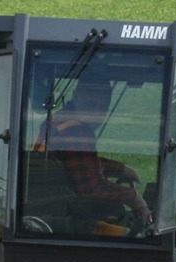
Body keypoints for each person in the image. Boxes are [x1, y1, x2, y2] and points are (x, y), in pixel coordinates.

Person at [37, 77, 153, 236]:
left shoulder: (57, 121)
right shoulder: (76, 132)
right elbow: (92, 188)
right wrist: (135, 199)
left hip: (48, 211)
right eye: (91, 105)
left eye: (103, 107)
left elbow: (81, 164)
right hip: (69, 222)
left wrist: (121, 169)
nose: (97, 113)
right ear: (76, 96)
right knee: (135, 237)